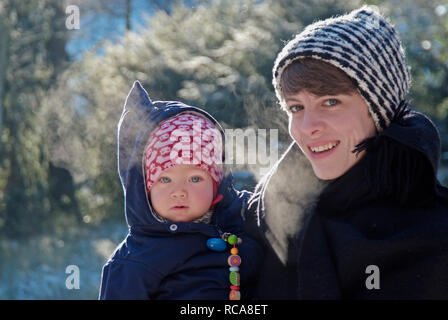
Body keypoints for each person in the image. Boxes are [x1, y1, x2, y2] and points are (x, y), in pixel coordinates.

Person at [245, 5, 448, 299]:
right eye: (296, 108)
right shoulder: (262, 216)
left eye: (330, 102)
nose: (307, 126)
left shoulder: (436, 233)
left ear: (379, 108)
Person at [99, 81, 262, 300]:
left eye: (195, 178)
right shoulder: (136, 261)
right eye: (165, 179)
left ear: (217, 183)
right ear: (145, 188)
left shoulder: (243, 218)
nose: (179, 192)